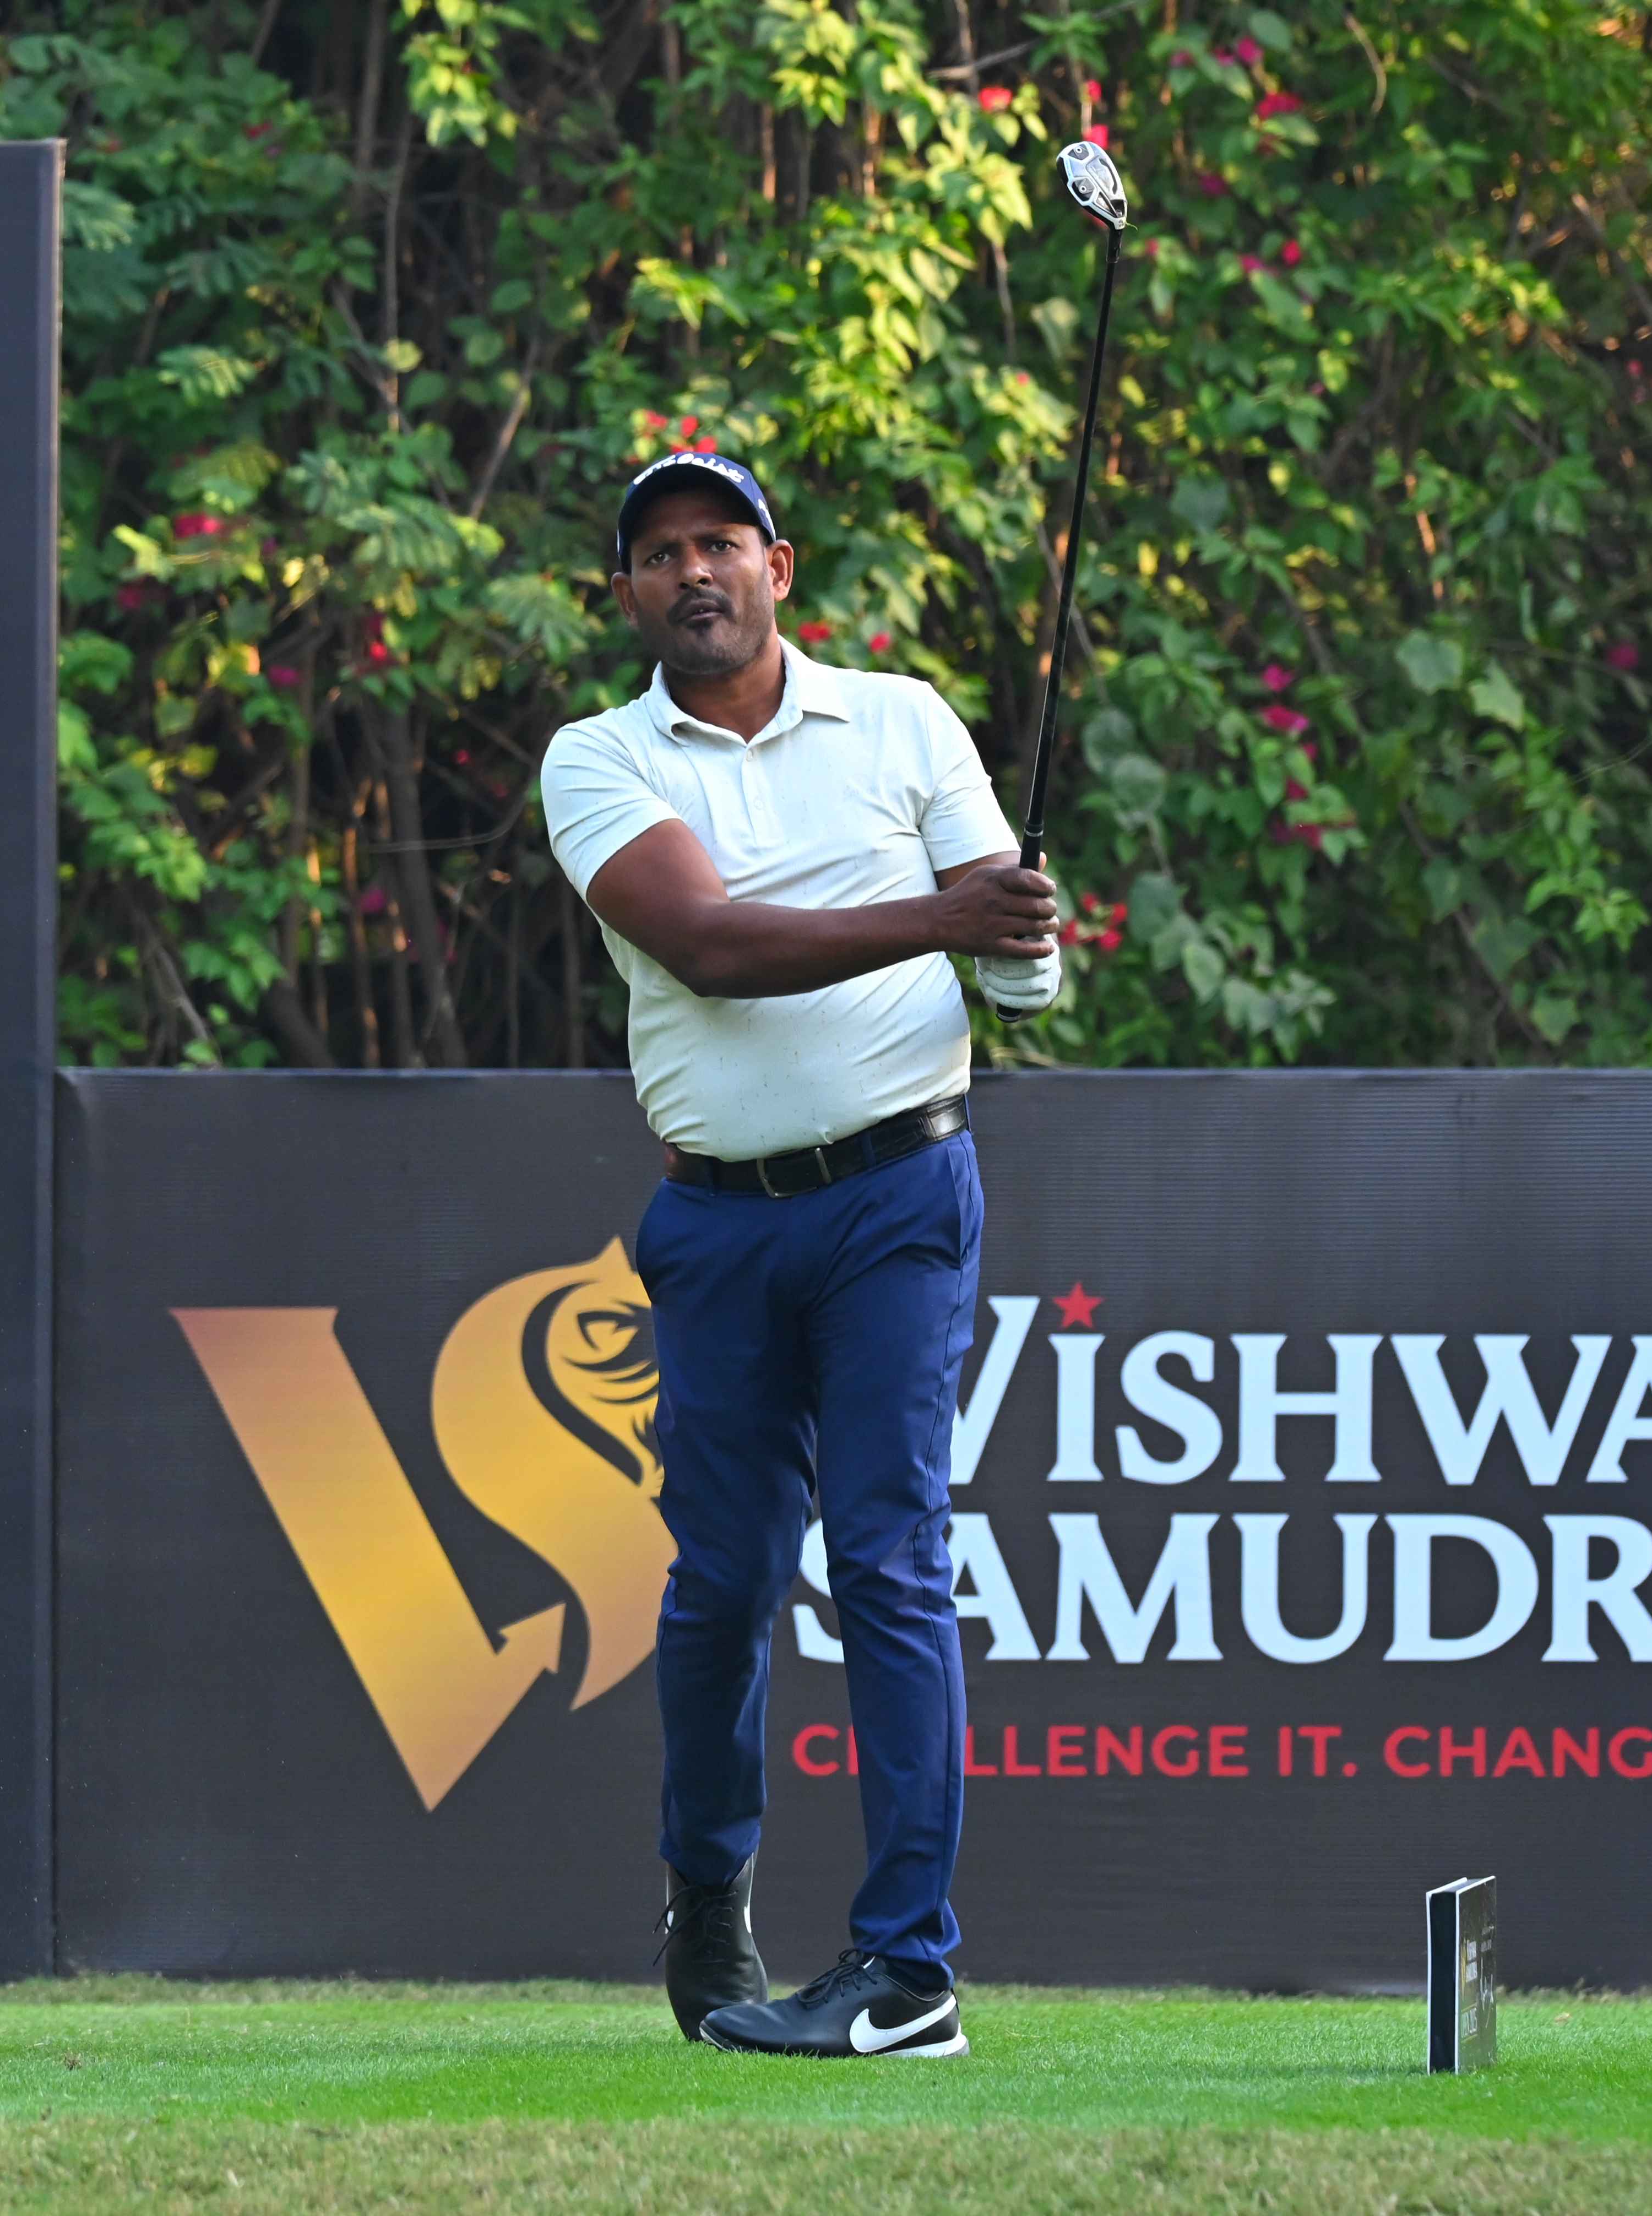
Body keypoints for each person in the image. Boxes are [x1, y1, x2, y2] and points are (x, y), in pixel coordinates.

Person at [539, 452, 1061, 2059]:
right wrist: (945, 920)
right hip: (716, 1218)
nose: (693, 571)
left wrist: (1019, 938)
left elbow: (1020, 963)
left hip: (901, 1191)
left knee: (893, 1554)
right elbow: (708, 945)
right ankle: (710, 1889)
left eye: (722, 543)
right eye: (660, 554)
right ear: (626, 594)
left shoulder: (903, 720)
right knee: (728, 1580)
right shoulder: (598, 757)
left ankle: (907, 1972)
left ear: (780, 566)